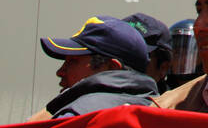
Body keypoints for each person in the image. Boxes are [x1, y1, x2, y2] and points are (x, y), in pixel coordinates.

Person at [29, 16, 159, 120]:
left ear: (112, 68)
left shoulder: (76, 116)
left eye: (73, 61)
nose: (60, 72)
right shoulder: (163, 113)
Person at [123, 12, 172, 91]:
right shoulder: (98, 99)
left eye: (136, 58)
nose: (125, 66)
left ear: (163, 68)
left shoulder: (175, 102)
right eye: (118, 55)